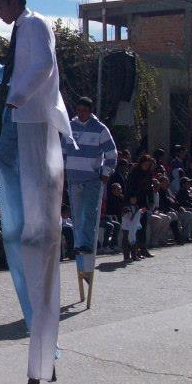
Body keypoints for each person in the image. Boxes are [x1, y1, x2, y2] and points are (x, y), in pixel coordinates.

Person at [0, 0, 71, 384]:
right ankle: (41, 340)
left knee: (34, 235)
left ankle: (43, 350)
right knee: (16, 230)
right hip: (16, 121)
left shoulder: (34, 25)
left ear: (14, 1)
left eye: (0, 6)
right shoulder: (20, 31)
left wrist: (15, 98)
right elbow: (18, 73)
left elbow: (43, 68)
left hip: (29, 124)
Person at [63, 96, 117, 298]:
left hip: (92, 179)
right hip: (73, 178)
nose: (81, 114)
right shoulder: (69, 127)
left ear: (90, 111)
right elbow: (62, 150)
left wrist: (106, 172)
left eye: (84, 111)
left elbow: (112, 154)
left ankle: (86, 243)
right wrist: (62, 170)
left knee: (89, 212)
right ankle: (78, 244)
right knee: (77, 213)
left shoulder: (100, 129)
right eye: (79, 110)